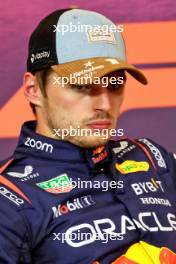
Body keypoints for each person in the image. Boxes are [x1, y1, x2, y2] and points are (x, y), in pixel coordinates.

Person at [0, 8, 176, 264]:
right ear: (33, 89)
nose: (104, 103)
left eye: (115, 85)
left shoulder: (152, 156)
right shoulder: (9, 198)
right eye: (83, 85)